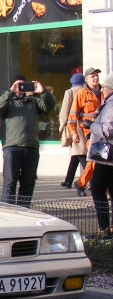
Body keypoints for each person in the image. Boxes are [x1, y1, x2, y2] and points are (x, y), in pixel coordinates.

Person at [0, 74, 55, 206]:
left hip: (31, 146)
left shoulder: (32, 101)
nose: (20, 87)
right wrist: (10, 92)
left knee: (28, 182)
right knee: (10, 182)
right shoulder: (8, 100)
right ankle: (8, 210)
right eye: (17, 84)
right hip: (12, 147)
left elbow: (48, 107)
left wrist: (42, 92)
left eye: (23, 84)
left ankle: (24, 210)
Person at [87, 78, 113, 237]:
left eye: (104, 87)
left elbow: (108, 129)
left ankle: (104, 228)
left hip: (107, 154)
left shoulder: (111, 104)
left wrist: (91, 126)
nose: (102, 89)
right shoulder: (108, 102)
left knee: (96, 186)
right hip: (108, 154)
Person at [66, 71, 101, 189]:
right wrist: (73, 132)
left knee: (101, 161)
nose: (95, 78)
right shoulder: (81, 94)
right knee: (96, 159)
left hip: (103, 132)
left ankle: (83, 183)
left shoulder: (104, 92)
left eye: (97, 76)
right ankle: (82, 183)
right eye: (92, 76)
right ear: (86, 79)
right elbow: (72, 116)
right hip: (90, 133)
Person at [59, 73, 87, 188]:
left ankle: (92, 179)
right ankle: (68, 181)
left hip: (73, 126)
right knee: (76, 155)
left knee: (81, 154)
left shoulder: (69, 92)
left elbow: (65, 111)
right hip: (85, 126)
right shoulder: (86, 91)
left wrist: (61, 126)